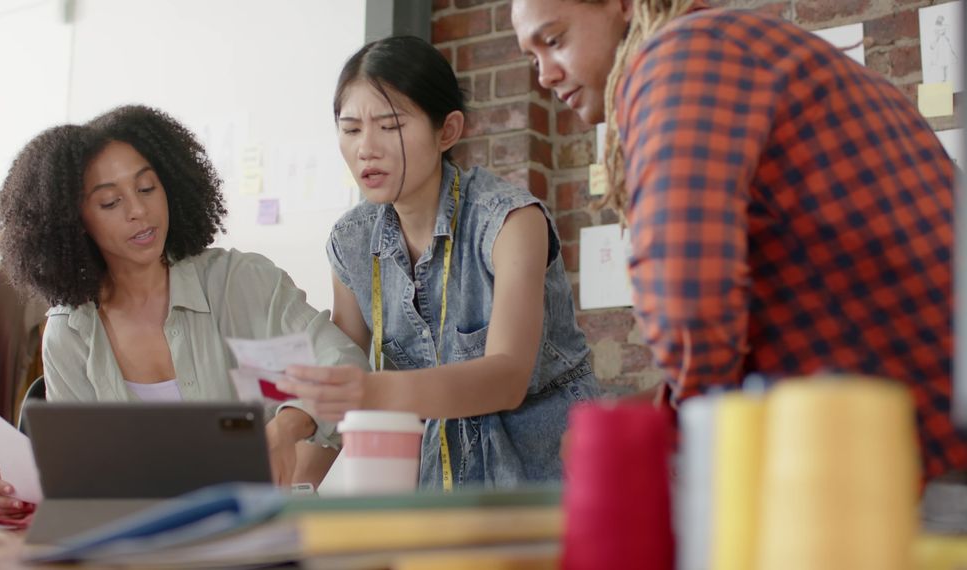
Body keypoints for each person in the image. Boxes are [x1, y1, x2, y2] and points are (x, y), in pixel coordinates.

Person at [511, 0, 964, 482]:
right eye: (532, 57)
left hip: (924, 454)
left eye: (554, 40)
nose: (544, 76)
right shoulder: (734, 45)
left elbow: (688, 298)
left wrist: (686, 433)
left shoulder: (678, 58)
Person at [0, 105, 369, 518]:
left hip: (255, 535)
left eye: (147, 188)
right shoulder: (71, 332)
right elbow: (82, 477)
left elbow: (346, 365)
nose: (138, 211)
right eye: (110, 202)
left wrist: (286, 427)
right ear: (75, 222)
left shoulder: (239, 284)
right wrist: (22, 488)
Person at [278, 36, 601, 490]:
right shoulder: (351, 242)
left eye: (389, 126)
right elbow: (343, 382)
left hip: (558, 476)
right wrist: (293, 487)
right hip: (443, 488)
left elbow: (507, 377)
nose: (366, 148)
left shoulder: (510, 220)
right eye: (350, 130)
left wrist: (371, 391)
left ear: (447, 130)